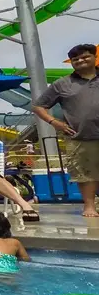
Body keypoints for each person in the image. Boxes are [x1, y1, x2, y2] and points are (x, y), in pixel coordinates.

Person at [32, 43, 99, 217]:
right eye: (75, 59)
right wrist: (54, 122)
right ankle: (90, 206)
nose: (80, 61)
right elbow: (39, 106)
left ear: (94, 57)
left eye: (85, 57)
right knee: (85, 173)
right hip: (80, 136)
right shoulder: (62, 84)